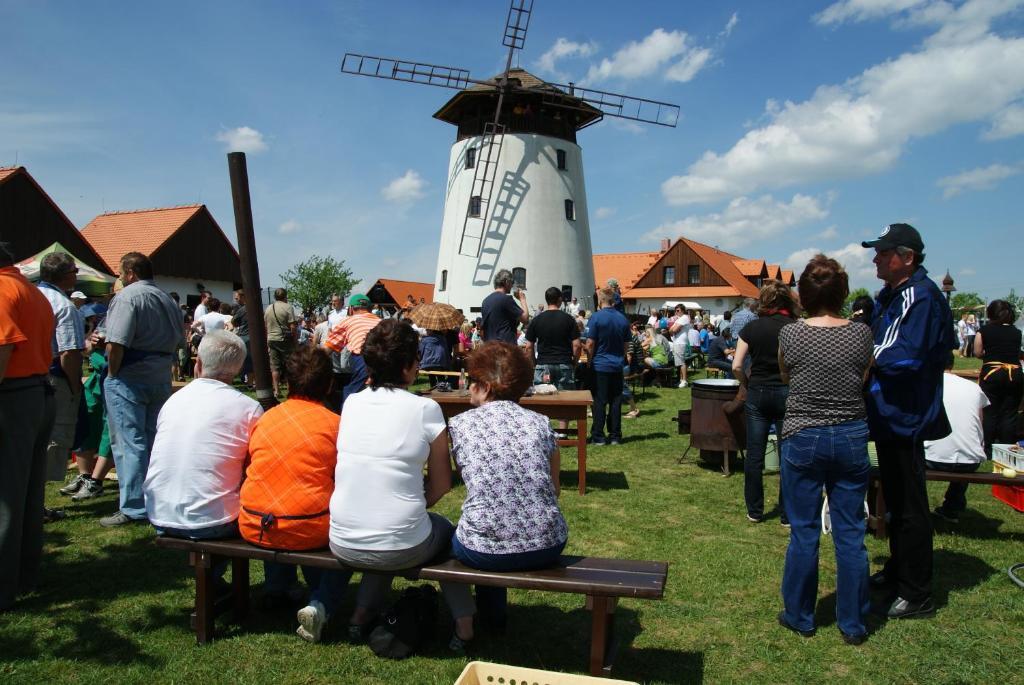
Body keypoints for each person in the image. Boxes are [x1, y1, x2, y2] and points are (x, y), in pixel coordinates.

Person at [327, 319, 473, 648]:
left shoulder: (351, 403)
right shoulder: (426, 408)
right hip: (399, 542)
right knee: (444, 533)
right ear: (408, 365)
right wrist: (413, 504)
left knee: (391, 526)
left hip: (342, 538)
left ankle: (360, 614)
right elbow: (441, 484)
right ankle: (465, 623)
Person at [776, 254, 874, 645]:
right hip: (850, 433)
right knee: (851, 533)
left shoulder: (792, 334)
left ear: (803, 293)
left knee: (804, 532)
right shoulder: (861, 333)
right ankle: (853, 623)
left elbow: (786, 374)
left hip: (803, 433)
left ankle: (800, 615)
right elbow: (864, 375)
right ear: (842, 291)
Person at [862, 222, 955, 619]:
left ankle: (917, 592)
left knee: (910, 504)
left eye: (883, 253)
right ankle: (900, 570)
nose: (875, 258)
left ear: (907, 257)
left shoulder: (919, 295)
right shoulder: (895, 293)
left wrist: (855, 355)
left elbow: (901, 354)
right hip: (890, 412)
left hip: (905, 414)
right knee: (896, 500)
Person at [448, 341, 567, 635]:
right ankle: (494, 616)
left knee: (469, 532)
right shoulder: (541, 423)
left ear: (485, 386)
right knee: (491, 524)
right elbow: (555, 488)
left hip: (483, 550)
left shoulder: (460, 424)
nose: (469, 387)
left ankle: (486, 616)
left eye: (472, 381)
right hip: (547, 543)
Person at [241, 345, 350, 642]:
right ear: (329, 384)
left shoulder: (265, 419)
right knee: (344, 535)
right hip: (308, 526)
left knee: (277, 500)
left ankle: (278, 587)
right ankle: (320, 600)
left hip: (254, 523)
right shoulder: (336, 425)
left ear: (288, 382)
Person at [143, 331, 262, 581]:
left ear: (197, 363)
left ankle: (213, 584)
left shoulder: (173, 401)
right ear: (240, 368)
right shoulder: (248, 408)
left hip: (159, 511)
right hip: (212, 520)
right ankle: (220, 584)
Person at [101, 252, 183, 527]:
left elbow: (116, 342)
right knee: (152, 440)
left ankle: (134, 505)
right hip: (158, 374)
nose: (120, 277)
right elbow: (180, 340)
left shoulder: (127, 297)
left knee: (129, 442)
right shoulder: (166, 299)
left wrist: (113, 373)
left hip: (131, 375)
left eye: (121, 272)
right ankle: (153, 499)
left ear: (131, 272)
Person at [0, 243, 56, 611]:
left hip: (12, 394)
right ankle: (23, 574)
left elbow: (2, 346)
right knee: (28, 493)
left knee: (5, 495)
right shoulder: (33, 292)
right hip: (37, 391)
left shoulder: (3, 290)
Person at [733, 280, 797, 525]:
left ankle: (755, 510)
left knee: (755, 455)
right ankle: (786, 514)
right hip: (786, 391)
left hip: (757, 391)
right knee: (787, 454)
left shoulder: (752, 328)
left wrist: (745, 384)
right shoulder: (795, 327)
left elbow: (737, 365)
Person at [37, 253, 86, 512]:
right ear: (66, 276)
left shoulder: (31, 296)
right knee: (52, 439)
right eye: (74, 272)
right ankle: (37, 505)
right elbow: (69, 352)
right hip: (54, 379)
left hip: (26, 378)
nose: (76, 276)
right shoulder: (64, 305)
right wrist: (75, 385)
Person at [924, 353, 990, 523]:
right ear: (952, 366)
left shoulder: (927, 386)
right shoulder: (973, 387)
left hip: (932, 458)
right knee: (964, 447)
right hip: (970, 460)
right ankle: (953, 506)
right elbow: (980, 424)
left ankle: (913, 506)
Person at [974, 299, 1023, 453]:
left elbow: (977, 352)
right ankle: (1006, 446)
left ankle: (987, 447)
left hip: (992, 372)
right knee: (1009, 412)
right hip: (1014, 373)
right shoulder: (1017, 332)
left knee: (990, 411)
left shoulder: (985, 330)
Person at [585, 287, 631, 446]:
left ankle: (598, 436)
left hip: (600, 365)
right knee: (616, 401)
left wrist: (589, 361)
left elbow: (590, 343)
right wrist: (621, 358)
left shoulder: (596, 318)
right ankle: (615, 436)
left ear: (601, 300)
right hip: (616, 365)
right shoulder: (623, 319)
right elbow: (626, 344)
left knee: (599, 401)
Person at [322, 293, 382, 408]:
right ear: (369, 309)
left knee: (350, 395)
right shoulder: (381, 322)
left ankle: (345, 417)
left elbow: (327, 349)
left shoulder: (348, 321)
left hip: (363, 359)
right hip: (385, 359)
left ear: (350, 309)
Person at [524, 286, 581, 389]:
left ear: (547, 300)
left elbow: (528, 347)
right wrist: (574, 363)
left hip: (543, 363)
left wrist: (535, 363)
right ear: (560, 299)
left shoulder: (536, 320)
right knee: (566, 400)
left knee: (543, 402)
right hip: (564, 363)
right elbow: (577, 345)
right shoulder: (569, 319)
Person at [481, 269, 529, 344]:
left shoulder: (485, 301)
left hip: (490, 348)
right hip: (505, 348)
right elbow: (525, 319)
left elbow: (483, 330)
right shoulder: (506, 299)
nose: (512, 286)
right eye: (512, 283)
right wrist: (522, 299)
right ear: (506, 282)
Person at [265, 288, 298, 397]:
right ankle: (289, 389)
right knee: (289, 365)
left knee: (275, 366)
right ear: (285, 296)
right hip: (284, 339)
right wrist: (294, 340)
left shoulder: (269, 308)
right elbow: (293, 326)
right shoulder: (288, 307)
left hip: (271, 338)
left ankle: (276, 390)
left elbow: (265, 325)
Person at [231, 290, 252, 385]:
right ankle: (251, 382)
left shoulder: (242, 309)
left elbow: (234, 321)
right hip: (255, 337)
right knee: (253, 360)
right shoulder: (256, 307)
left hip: (245, 337)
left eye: (237, 298)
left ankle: (247, 381)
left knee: (244, 360)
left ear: (243, 297)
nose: (236, 300)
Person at [668, 305, 691, 388]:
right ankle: (681, 380)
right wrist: (672, 329)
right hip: (677, 342)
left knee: (681, 362)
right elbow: (670, 330)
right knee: (679, 362)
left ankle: (684, 381)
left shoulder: (684, 318)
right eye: (675, 311)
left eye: (678, 310)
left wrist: (672, 329)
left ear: (682, 311)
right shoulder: (679, 319)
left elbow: (673, 330)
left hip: (680, 342)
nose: (676, 312)